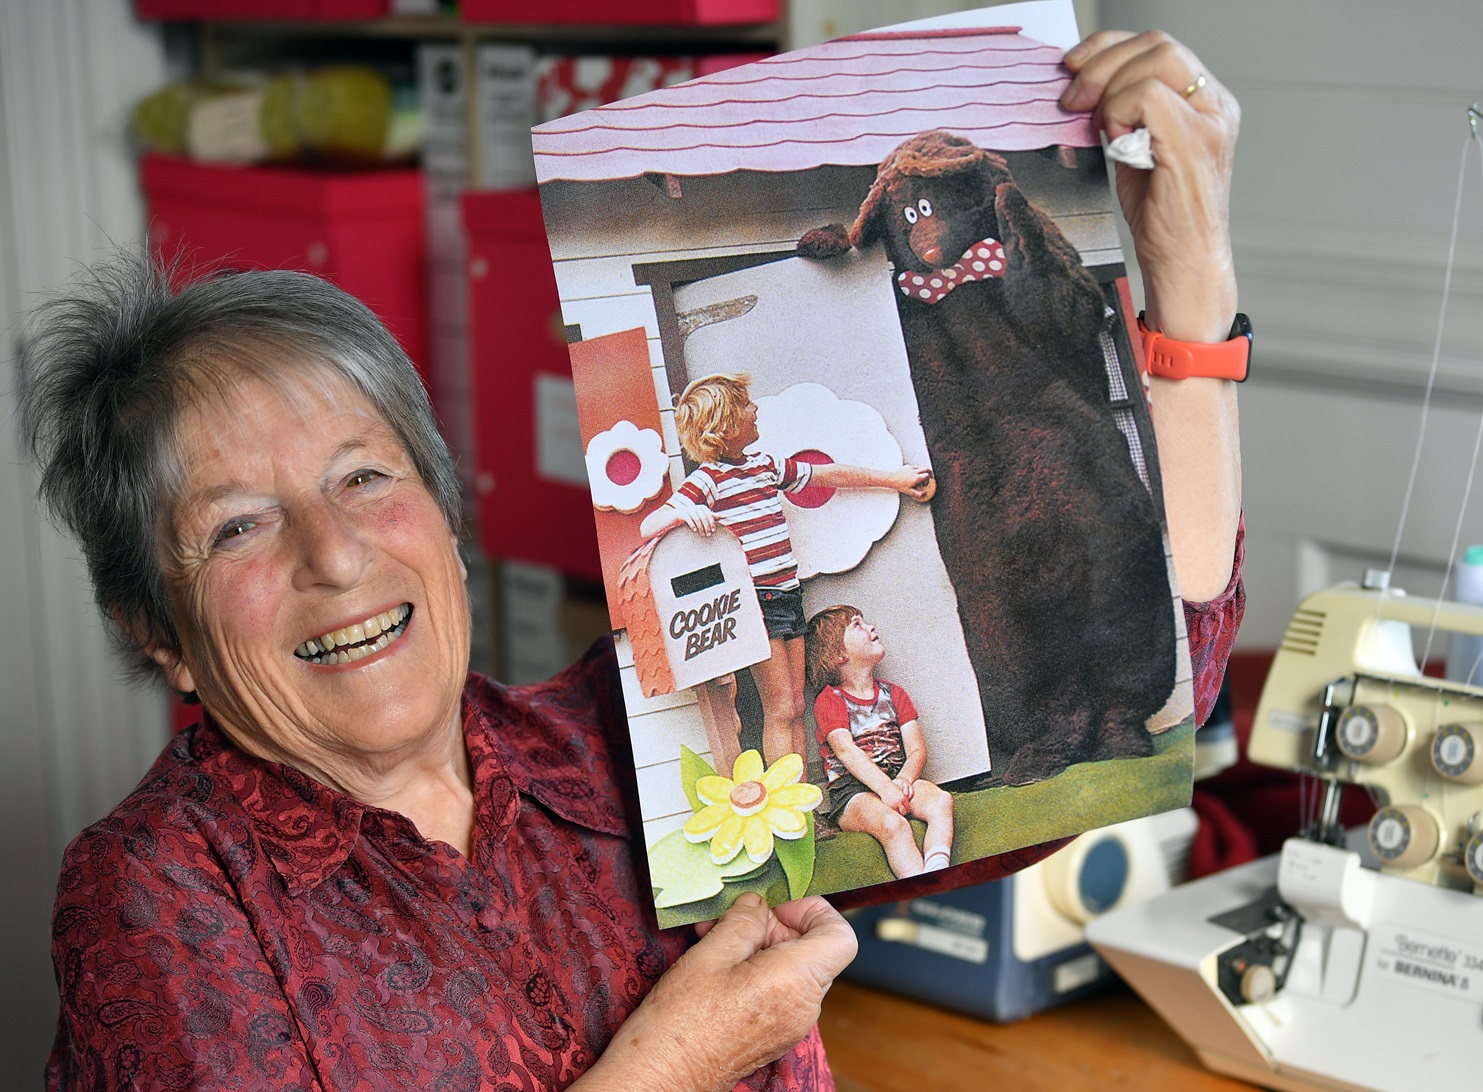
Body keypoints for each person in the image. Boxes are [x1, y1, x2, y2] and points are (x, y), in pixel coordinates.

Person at [26, 29, 1242, 1091]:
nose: (336, 556)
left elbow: (1167, 655)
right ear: (155, 625)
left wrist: (1187, 275)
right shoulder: (161, 900)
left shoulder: (612, 758)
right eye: (240, 524)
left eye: (365, 477)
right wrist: (676, 1065)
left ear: (445, 516)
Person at [639, 372, 932, 768]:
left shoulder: (764, 466)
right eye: (745, 406)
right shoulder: (708, 480)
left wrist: (892, 480)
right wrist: (685, 511)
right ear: (724, 425)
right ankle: (791, 817)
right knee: (779, 708)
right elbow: (647, 526)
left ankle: (802, 807)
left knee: (796, 706)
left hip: (788, 595)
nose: (754, 409)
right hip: (757, 603)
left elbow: (827, 475)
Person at [805, 606, 954, 879]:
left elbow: (917, 749)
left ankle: (937, 869)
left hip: (897, 778)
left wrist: (903, 781)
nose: (871, 627)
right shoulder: (830, 700)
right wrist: (884, 789)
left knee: (941, 801)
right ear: (838, 654)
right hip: (853, 794)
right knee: (892, 825)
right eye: (858, 625)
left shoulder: (893, 693)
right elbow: (846, 752)